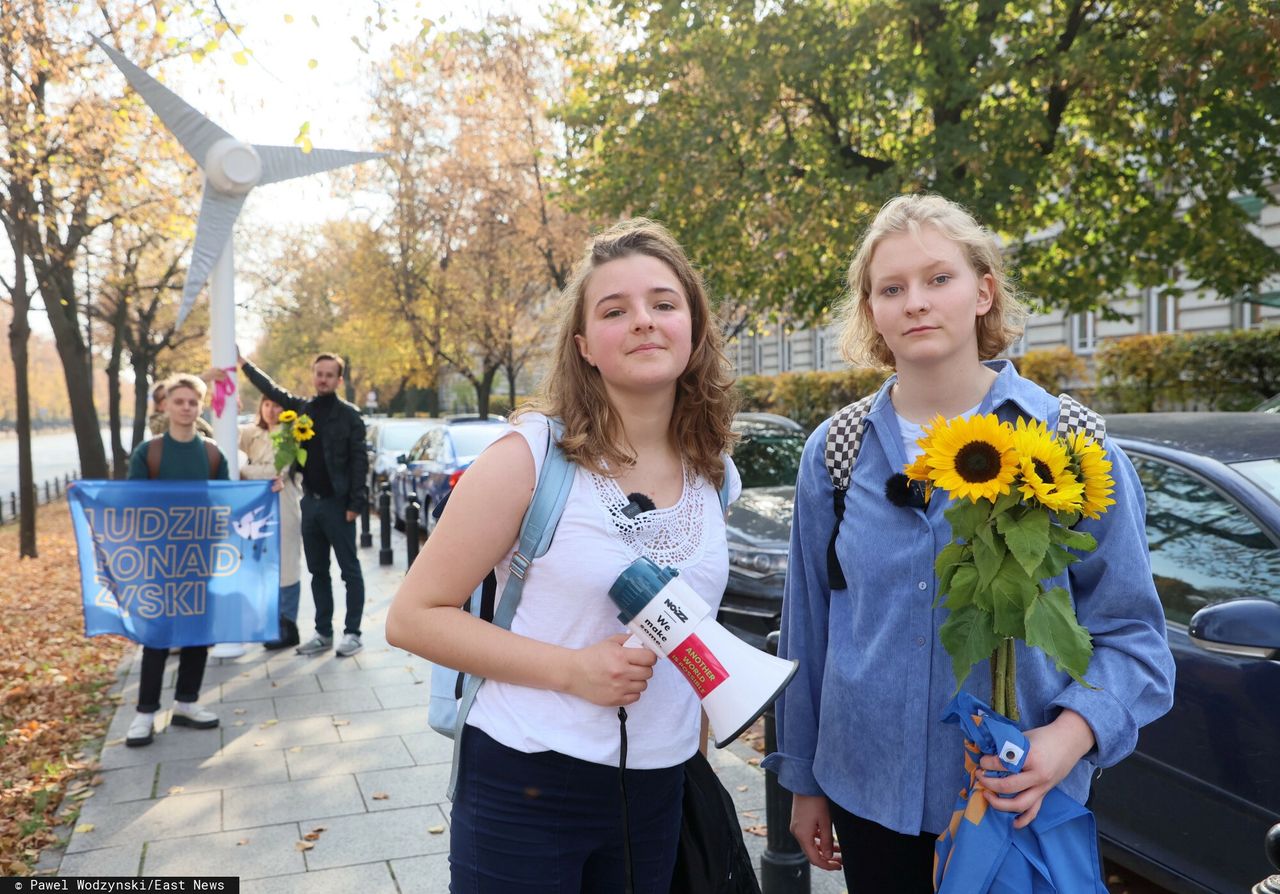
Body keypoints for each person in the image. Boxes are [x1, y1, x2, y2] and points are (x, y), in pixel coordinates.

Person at [762, 194, 1175, 892]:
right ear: (871, 312)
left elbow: (1135, 635)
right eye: (891, 289)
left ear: (983, 291)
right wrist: (803, 779)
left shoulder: (1067, 442)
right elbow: (809, 632)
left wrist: (1067, 739)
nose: (915, 302)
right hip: (870, 801)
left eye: (938, 279)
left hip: (1019, 800)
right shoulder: (833, 453)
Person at [385, 219, 740, 893]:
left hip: (659, 793)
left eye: (663, 303)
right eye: (615, 310)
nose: (643, 321)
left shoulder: (715, 473)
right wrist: (572, 671)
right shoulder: (530, 458)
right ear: (585, 346)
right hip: (526, 786)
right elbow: (413, 617)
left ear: (692, 327)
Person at [235, 353, 369, 657]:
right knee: (317, 571)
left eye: (329, 374)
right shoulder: (303, 409)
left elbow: (360, 462)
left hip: (340, 505)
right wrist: (243, 364)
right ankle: (323, 632)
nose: (323, 379)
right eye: (319, 373)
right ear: (314, 375)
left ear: (339, 380)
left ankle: (353, 632)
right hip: (311, 504)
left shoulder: (350, 416)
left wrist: (356, 503)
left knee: (350, 571)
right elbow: (272, 389)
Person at [125, 373, 227, 747]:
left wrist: (265, 490)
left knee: (198, 633)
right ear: (166, 405)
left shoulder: (213, 454)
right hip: (159, 559)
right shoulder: (148, 453)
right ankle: (145, 713)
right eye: (179, 401)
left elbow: (228, 502)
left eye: (193, 403)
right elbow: (131, 502)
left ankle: (187, 702)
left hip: (202, 559)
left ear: (201, 407)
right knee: (158, 634)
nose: (186, 408)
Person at [240, 396, 303, 649]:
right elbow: (223, 444)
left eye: (277, 406)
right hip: (254, 508)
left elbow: (276, 472)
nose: (272, 410)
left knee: (287, 563)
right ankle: (266, 621)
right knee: (258, 564)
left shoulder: (289, 435)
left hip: (283, 504)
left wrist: (244, 471)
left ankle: (287, 624)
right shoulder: (251, 433)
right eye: (267, 404)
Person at [149, 379, 214, 438]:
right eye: (166, 396)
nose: (186, 407)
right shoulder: (157, 423)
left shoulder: (195, 420)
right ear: (159, 405)